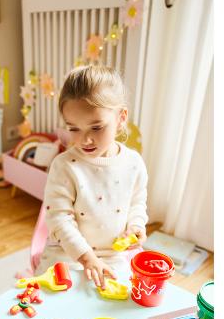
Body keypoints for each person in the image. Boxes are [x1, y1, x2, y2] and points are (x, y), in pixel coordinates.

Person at [39, 65, 149, 288]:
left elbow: (137, 203)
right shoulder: (63, 166)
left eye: (96, 127)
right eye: (74, 129)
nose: (85, 140)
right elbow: (59, 220)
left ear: (121, 118)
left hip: (115, 255)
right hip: (69, 255)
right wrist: (87, 259)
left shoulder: (134, 163)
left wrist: (136, 226)